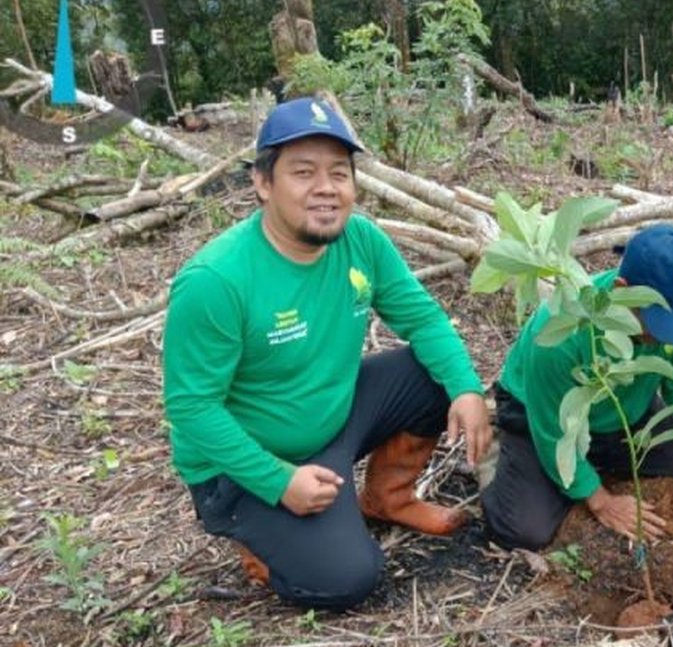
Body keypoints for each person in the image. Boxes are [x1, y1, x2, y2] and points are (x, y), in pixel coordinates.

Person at [163, 97, 491, 610]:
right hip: (246, 463)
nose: (326, 188)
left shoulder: (360, 240)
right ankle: (259, 536)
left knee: (433, 375)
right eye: (303, 172)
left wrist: (467, 388)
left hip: (331, 418)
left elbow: (423, 319)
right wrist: (278, 481)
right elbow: (191, 408)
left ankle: (389, 498)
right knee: (347, 580)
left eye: (339, 173)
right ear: (263, 183)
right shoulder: (217, 281)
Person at [481, 224, 673, 549]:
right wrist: (600, 500)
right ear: (623, 290)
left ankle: (598, 461)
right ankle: (500, 452)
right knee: (523, 530)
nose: (672, 335)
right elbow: (554, 430)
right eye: (663, 324)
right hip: (541, 415)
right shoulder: (561, 331)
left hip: (626, 406)